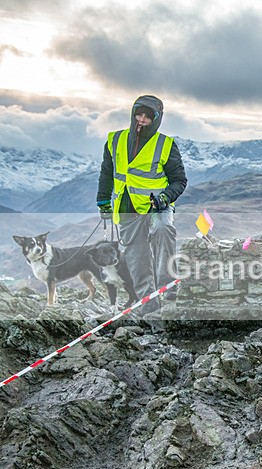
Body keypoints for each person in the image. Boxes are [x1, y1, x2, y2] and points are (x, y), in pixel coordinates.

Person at [96, 95, 187, 316]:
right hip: (127, 208)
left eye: (148, 116)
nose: (142, 119)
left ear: (156, 119)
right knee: (137, 260)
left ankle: (168, 286)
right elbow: (107, 173)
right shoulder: (114, 140)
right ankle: (149, 311)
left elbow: (179, 180)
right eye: (139, 114)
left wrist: (165, 198)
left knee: (163, 230)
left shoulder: (165, 144)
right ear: (133, 113)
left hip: (157, 207)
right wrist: (103, 201)